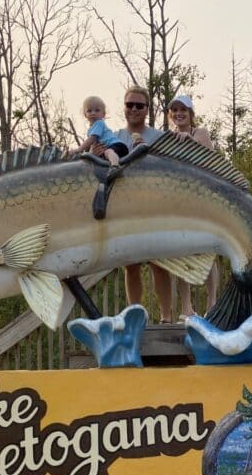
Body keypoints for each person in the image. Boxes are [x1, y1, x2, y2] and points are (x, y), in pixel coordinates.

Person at [92, 86, 174, 322]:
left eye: (140, 105)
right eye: (130, 105)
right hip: (125, 209)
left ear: (148, 109)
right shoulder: (113, 136)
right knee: (131, 265)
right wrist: (98, 154)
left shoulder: (158, 137)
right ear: (124, 107)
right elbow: (100, 170)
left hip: (154, 207)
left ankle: (166, 316)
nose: (134, 110)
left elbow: (169, 168)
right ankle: (135, 316)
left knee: (160, 264)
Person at [167, 94, 219, 319]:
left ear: (191, 114)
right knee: (180, 254)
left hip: (202, 200)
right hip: (179, 203)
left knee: (206, 252)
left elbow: (210, 159)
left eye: (183, 110)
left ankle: (213, 302)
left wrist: (189, 140)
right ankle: (186, 307)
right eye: (175, 110)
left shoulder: (201, 133)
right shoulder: (169, 138)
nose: (179, 113)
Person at [74, 96, 129, 167]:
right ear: (85, 114)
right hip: (110, 149)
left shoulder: (99, 123)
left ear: (103, 114)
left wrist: (78, 150)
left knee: (108, 152)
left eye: (97, 110)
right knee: (104, 155)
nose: (93, 113)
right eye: (89, 111)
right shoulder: (90, 130)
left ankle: (115, 166)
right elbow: (89, 147)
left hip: (117, 146)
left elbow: (92, 138)